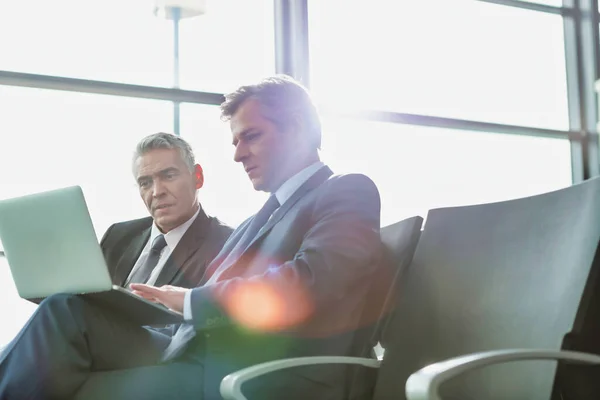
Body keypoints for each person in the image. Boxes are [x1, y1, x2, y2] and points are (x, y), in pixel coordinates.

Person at [0, 75, 384, 400]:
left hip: (247, 369)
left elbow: (316, 279)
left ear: (298, 128)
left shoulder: (345, 191)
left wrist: (190, 301)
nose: (238, 154)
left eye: (251, 136)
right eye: (235, 141)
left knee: (66, 382)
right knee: (65, 309)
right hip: (189, 345)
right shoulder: (262, 217)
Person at [101, 132, 233, 288]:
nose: (157, 192)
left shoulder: (227, 245)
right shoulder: (117, 235)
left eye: (169, 176)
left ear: (197, 177)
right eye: (145, 183)